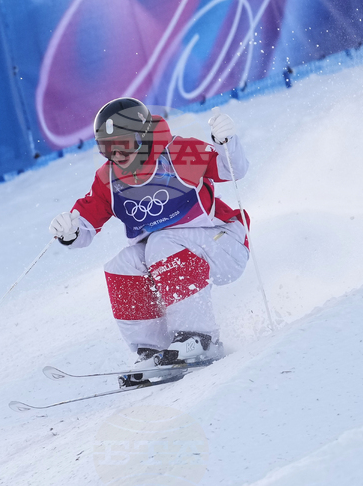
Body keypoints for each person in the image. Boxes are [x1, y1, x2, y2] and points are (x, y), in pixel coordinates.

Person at [48, 97, 250, 379]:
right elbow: (85, 226)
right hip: (174, 257)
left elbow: (232, 169)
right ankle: (155, 351)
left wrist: (226, 141)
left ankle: (201, 339)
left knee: (159, 242)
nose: (117, 155)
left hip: (223, 244)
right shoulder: (109, 180)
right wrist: (70, 231)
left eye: (124, 145)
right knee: (122, 264)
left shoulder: (178, 152)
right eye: (108, 148)